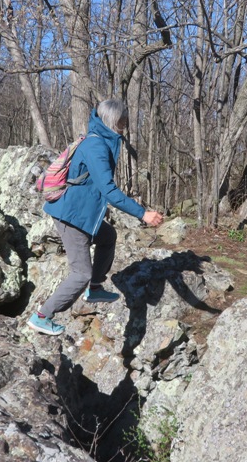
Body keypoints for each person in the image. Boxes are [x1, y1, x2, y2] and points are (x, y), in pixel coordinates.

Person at [28, 99, 164, 336]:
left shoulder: (103, 140)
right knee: (80, 273)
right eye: (124, 120)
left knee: (107, 235)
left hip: (81, 212)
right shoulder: (96, 146)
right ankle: (42, 316)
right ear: (114, 121)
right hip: (71, 216)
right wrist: (143, 214)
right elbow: (109, 190)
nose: (127, 124)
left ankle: (96, 288)